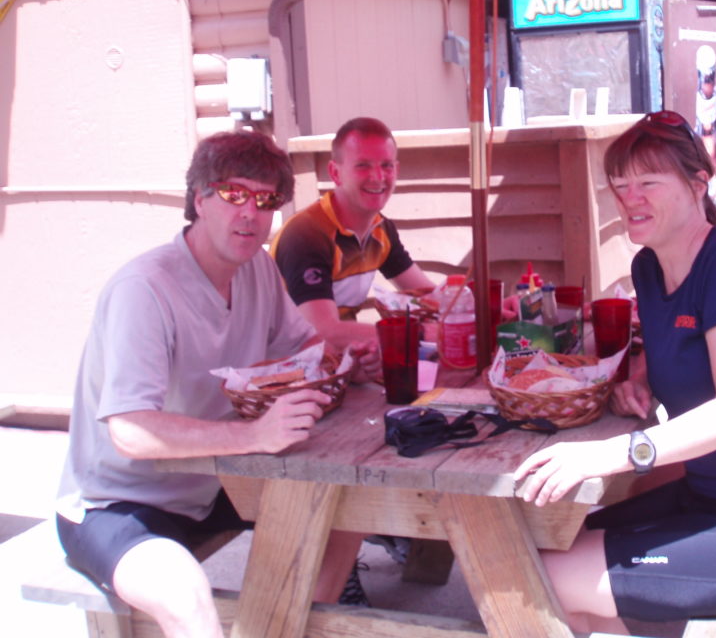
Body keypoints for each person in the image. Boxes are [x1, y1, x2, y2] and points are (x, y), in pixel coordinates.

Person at [514, 111, 716, 633]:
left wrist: (609, 455)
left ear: (698, 183)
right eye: (619, 186)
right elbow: (675, 357)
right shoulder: (648, 265)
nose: (629, 198)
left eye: (647, 183)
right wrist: (637, 382)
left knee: (535, 574)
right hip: (705, 497)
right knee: (547, 540)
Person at [55, 131, 372, 638]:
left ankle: (290, 629)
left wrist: (349, 359)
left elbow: (305, 346)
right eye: (233, 194)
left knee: (347, 509)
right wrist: (253, 437)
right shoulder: (144, 290)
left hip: (213, 484)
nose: (251, 212)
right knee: (187, 598)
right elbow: (131, 432)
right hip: (117, 503)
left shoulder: (257, 270)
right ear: (199, 199)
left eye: (266, 200)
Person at [270, 117, 435, 347]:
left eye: (386, 165)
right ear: (335, 173)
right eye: (363, 165)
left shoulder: (381, 229)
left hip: (345, 364)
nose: (378, 177)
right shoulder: (305, 236)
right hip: (292, 369)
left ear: (396, 170)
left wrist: (484, 309)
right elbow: (324, 331)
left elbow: (429, 298)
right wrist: (420, 335)